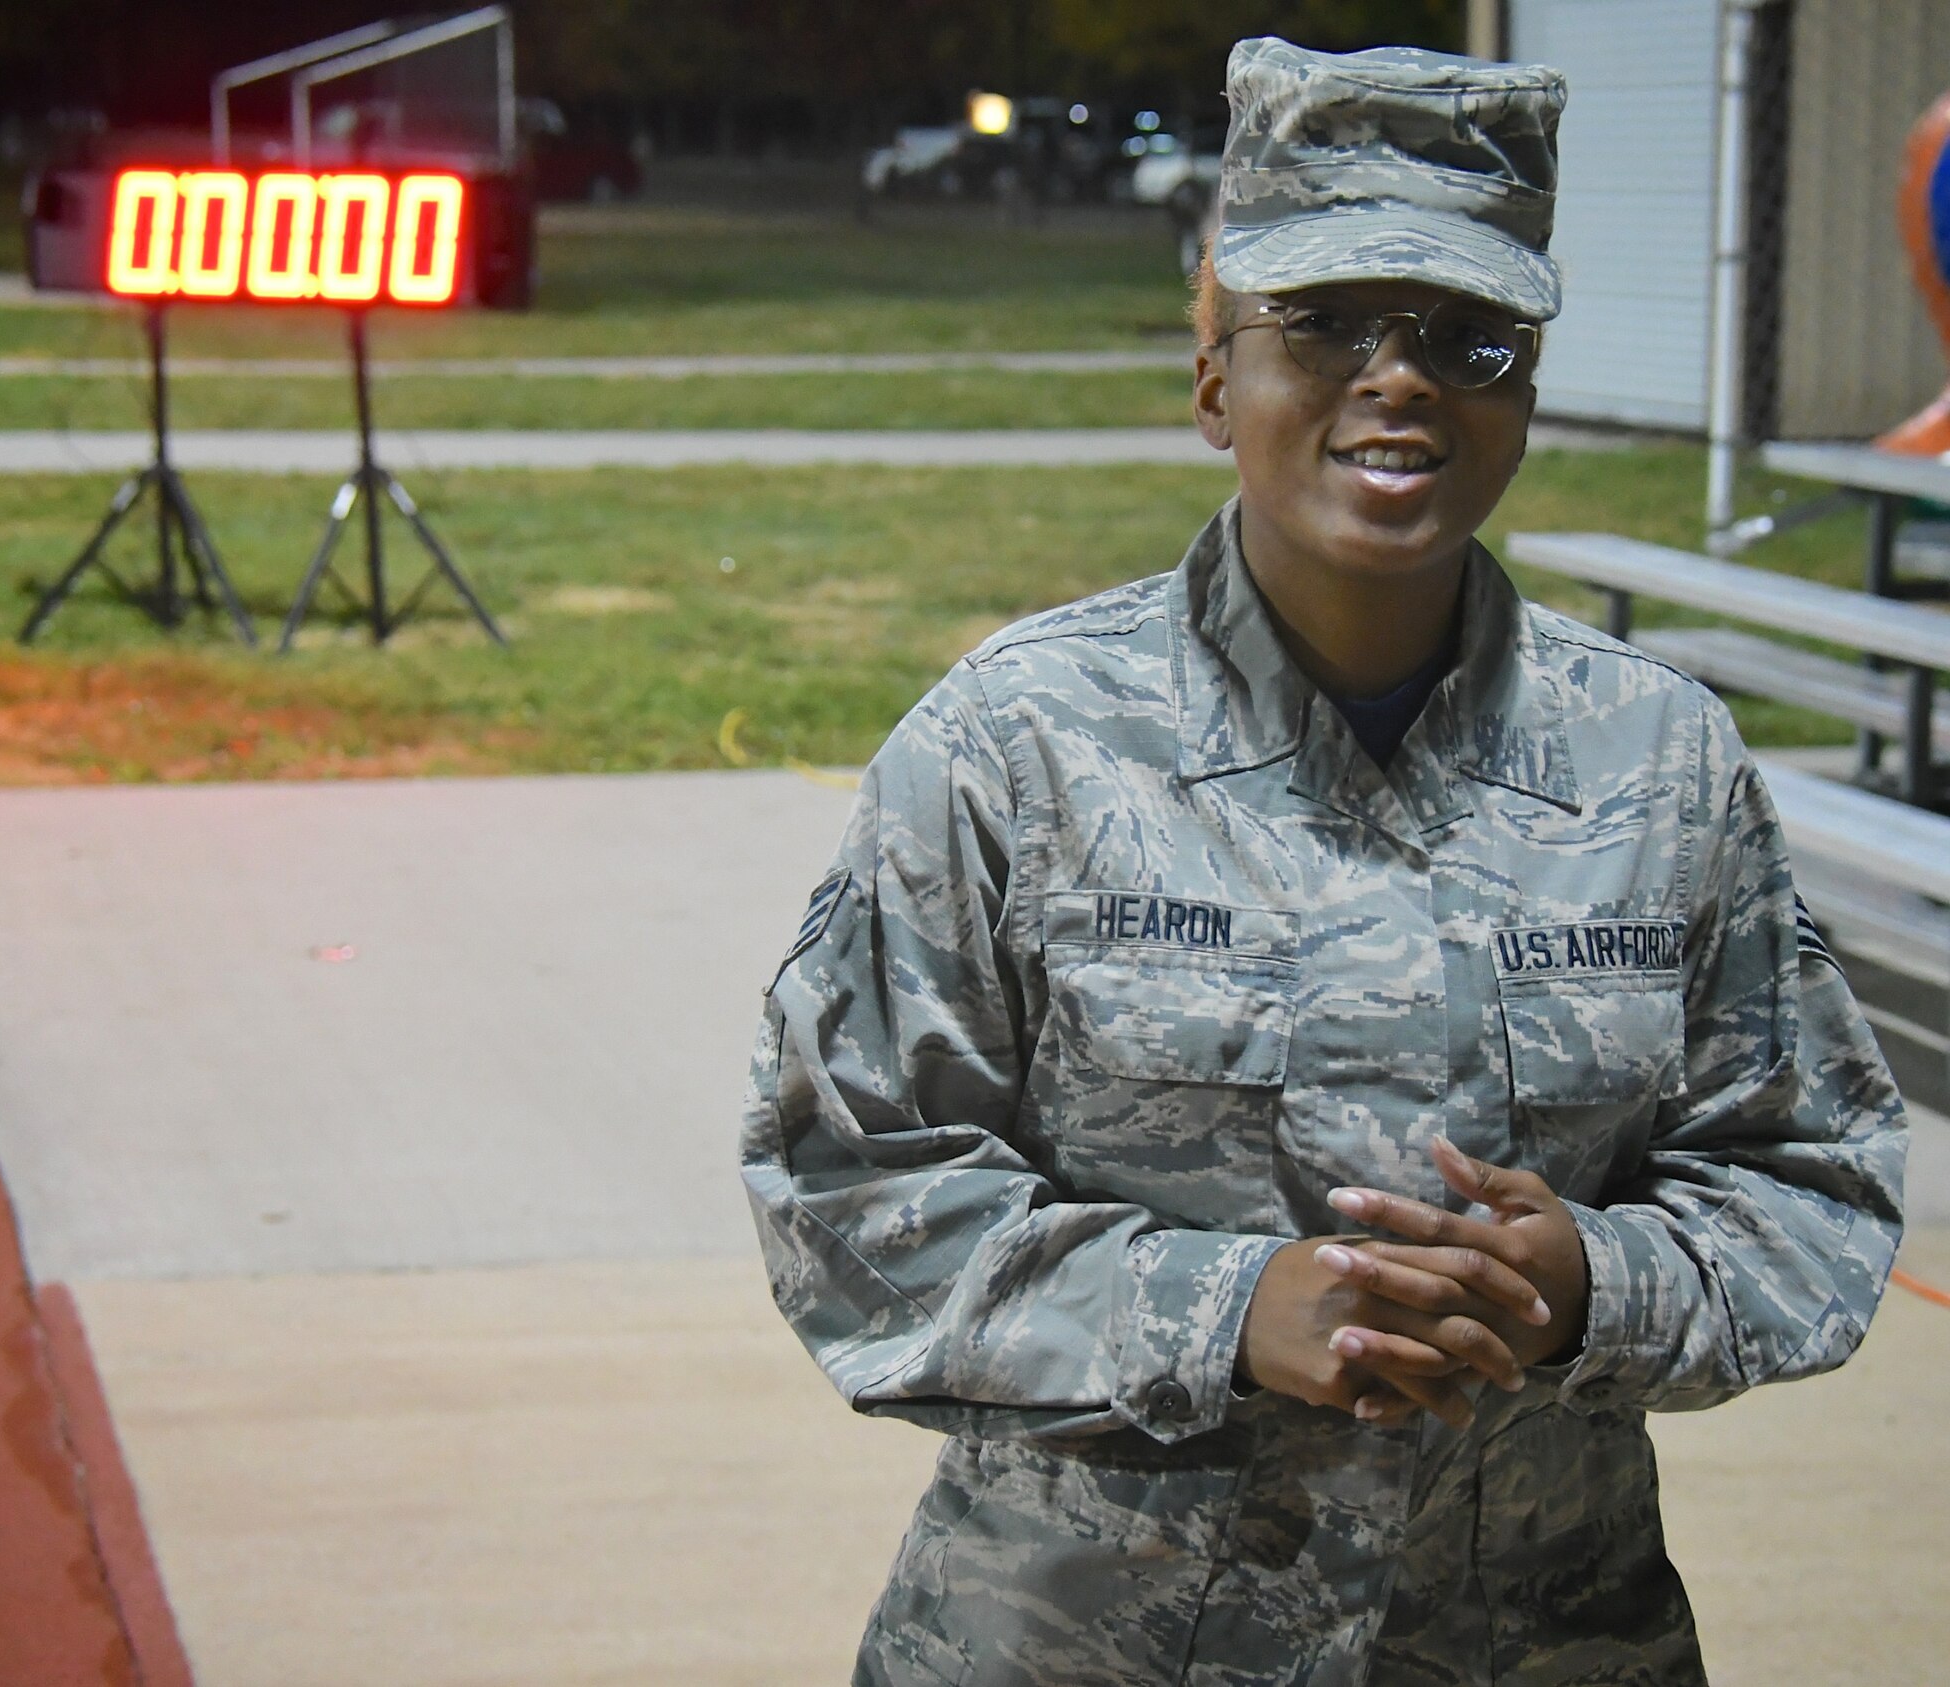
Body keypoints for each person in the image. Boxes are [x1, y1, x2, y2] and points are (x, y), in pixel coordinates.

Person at [741, 36, 1907, 1687]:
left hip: (1541, 1646)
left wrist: (1594, 1283)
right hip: (1088, 1646)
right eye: (1329, 323)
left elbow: (1816, 1183)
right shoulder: (1021, 744)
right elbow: (846, 1191)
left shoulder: (1656, 763)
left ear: (1524, 392)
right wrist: (1220, 1314)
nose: (1400, 376)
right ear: (1214, 373)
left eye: (1466, 337)